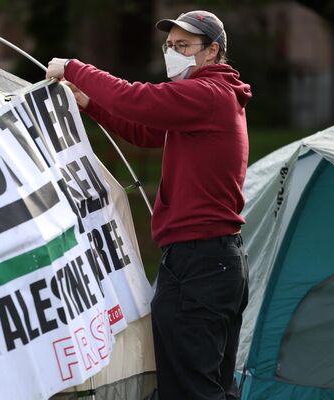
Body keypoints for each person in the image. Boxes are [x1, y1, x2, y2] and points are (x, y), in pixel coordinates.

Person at [45, 10, 250, 400]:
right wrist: (89, 102)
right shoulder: (208, 98)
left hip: (200, 264)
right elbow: (143, 129)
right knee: (211, 386)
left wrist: (74, 67)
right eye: (170, 46)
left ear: (212, 51)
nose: (173, 53)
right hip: (212, 261)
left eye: (184, 46)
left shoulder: (208, 95)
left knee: (189, 389)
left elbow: (136, 99)